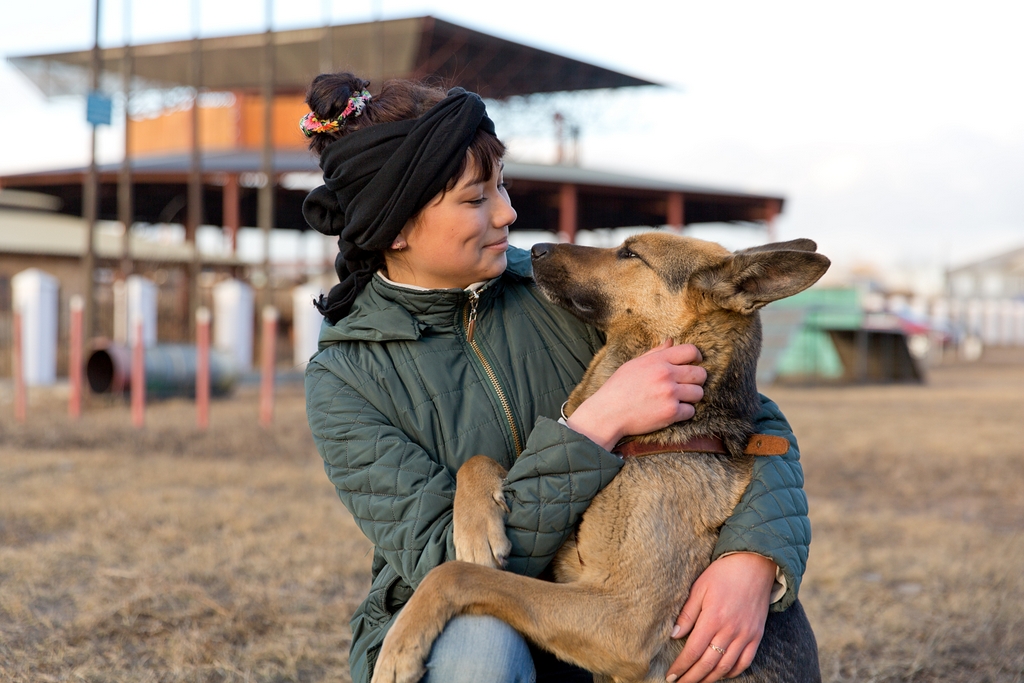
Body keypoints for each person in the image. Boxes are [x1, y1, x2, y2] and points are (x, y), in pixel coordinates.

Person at [302, 73, 810, 683]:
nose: (508, 212)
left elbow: (745, 420)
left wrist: (755, 557)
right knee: (477, 641)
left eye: (503, 186)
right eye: (474, 199)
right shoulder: (347, 377)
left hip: (600, 632)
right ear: (397, 228)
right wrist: (594, 425)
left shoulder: (561, 298)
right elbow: (453, 559)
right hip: (461, 641)